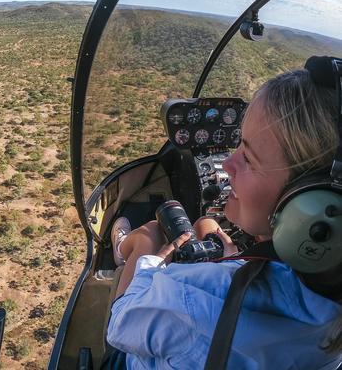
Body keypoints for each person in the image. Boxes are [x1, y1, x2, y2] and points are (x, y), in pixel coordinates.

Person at [106, 67, 342, 369]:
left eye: (249, 158)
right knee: (207, 226)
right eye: (238, 145)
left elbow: (121, 325)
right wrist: (237, 261)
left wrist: (154, 266)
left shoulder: (197, 296)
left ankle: (125, 248)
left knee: (151, 233)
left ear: (313, 205)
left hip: (130, 351)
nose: (228, 163)